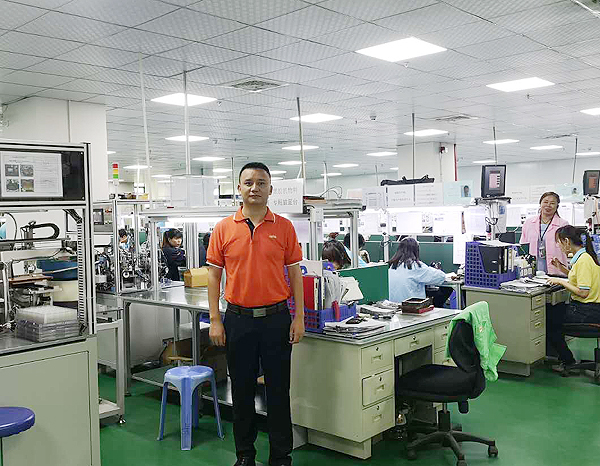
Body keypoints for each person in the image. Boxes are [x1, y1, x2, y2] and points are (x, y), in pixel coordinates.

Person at [207, 162, 304, 466]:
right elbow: (213, 276)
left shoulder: (284, 227)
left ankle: (281, 456)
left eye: (261, 183)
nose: (255, 188)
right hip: (238, 320)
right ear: (239, 188)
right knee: (242, 390)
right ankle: (245, 455)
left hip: (277, 319)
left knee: (278, 391)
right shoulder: (223, 228)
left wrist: (299, 317)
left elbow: (295, 274)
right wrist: (215, 319)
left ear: (270, 189)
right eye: (248, 182)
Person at [547, 226, 600, 373]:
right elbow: (577, 277)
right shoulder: (585, 257)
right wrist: (561, 268)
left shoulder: (583, 261)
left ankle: (567, 361)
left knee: (549, 321)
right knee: (553, 311)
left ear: (566, 241)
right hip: (591, 309)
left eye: (559, 242)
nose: (558, 246)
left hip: (586, 312)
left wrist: (560, 281)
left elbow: (583, 292)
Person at [388, 237, 451, 307]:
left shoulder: (392, 266)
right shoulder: (415, 266)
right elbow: (440, 276)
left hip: (392, 306)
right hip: (411, 307)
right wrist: (436, 270)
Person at [520, 192, 569, 276]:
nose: (548, 205)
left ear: (557, 206)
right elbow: (523, 246)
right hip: (532, 268)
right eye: (545, 202)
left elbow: (568, 248)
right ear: (540, 204)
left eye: (552, 203)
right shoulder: (529, 223)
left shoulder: (563, 224)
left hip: (556, 269)